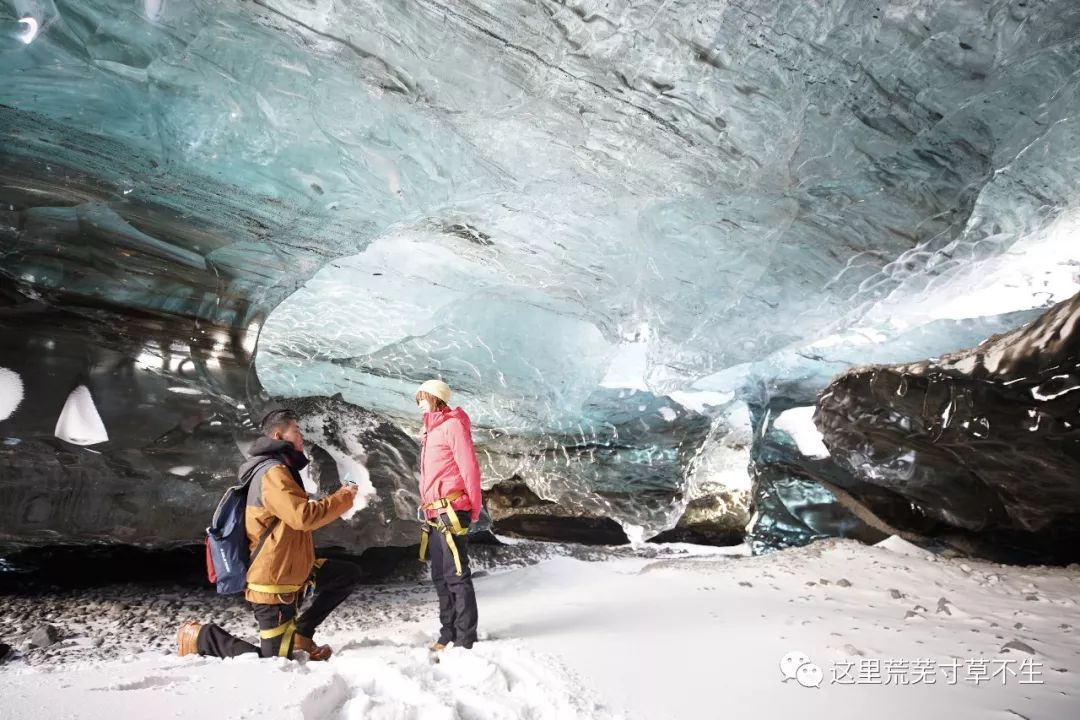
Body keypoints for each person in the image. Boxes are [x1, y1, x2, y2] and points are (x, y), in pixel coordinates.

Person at [176, 409, 361, 661]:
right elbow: (303, 517)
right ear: (278, 435)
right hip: (274, 585)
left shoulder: (280, 470)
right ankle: (201, 637)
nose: (301, 437)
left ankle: (301, 634)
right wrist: (344, 497)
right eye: (296, 431)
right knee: (273, 660)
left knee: (346, 575)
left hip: (294, 572)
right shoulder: (273, 473)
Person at [415, 379, 483, 652]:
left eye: (422, 398)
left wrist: (474, 507)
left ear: (435, 398)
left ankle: (466, 638)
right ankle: (448, 634)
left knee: (456, 574)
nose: (419, 404)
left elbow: (470, 468)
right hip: (434, 513)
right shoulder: (430, 431)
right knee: (440, 576)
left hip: (453, 510)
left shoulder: (452, 426)